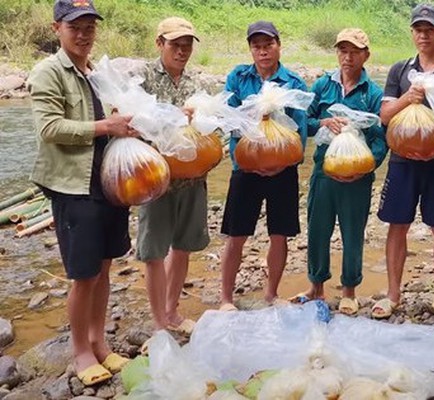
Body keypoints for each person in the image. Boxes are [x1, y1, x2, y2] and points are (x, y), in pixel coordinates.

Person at [27, 0, 134, 386]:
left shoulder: (96, 73)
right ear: (57, 29)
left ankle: (98, 341)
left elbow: (117, 117)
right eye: (75, 27)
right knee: (84, 273)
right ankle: (81, 352)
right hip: (73, 187)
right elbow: (50, 128)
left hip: (108, 184)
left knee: (105, 267)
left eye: (90, 26)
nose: (84, 34)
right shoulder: (48, 72)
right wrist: (106, 126)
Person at [373, 3, 434, 323]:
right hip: (403, 161)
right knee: (397, 224)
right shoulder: (401, 70)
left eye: (430, 29)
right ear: (412, 33)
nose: (424, 35)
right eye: (419, 30)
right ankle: (392, 294)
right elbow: (385, 116)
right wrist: (408, 98)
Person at [288, 28, 387, 314]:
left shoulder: (373, 93)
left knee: (352, 232)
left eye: (354, 51)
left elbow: (382, 139)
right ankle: (316, 287)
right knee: (318, 229)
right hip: (323, 170)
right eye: (343, 51)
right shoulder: (322, 86)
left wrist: (369, 165)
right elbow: (302, 122)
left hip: (358, 176)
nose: (347, 57)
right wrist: (322, 123)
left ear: (366, 55)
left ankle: (349, 291)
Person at [219, 21, 308, 311]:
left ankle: (271, 294)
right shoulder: (238, 77)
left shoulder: (293, 83)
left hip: (283, 171)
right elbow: (229, 119)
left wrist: (287, 161)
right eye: (256, 46)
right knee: (236, 233)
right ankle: (226, 299)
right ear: (251, 50)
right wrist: (244, 157)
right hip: (245, 169)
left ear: (278, 45)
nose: (263, 51)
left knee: (279, 233)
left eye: (268, 45)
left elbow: (300, 130)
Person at [136, 17, 206, 335]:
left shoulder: (195, 84)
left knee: (182, 247)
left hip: (191, 177)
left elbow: (208, 128)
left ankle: (172, 310)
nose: (182, 50)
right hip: (155, 179)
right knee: (154, 251)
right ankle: (159, 320)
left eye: (187, 44)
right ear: (159, 43)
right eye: (175, 44)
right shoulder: (143, 78)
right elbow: (130, 119)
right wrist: (171, 117)